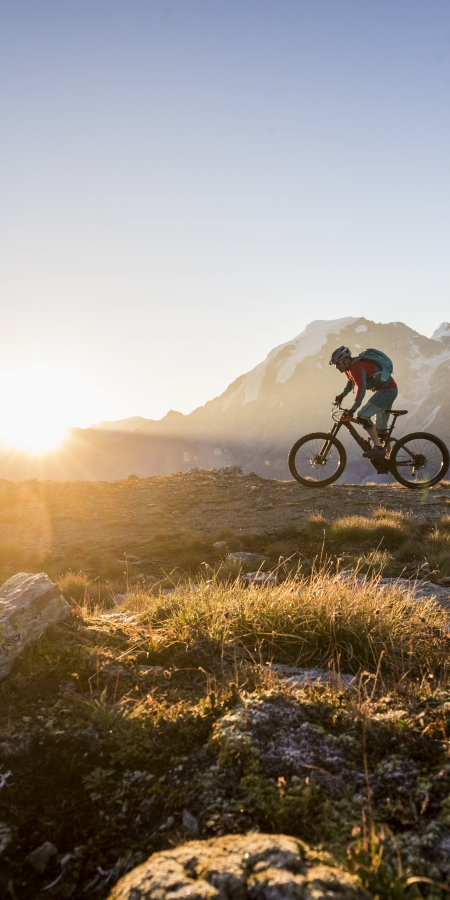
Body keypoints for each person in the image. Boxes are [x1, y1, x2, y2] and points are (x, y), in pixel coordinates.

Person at [329, 346, 398, 458]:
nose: (336, 367)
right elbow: (351, 383)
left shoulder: (356, 367)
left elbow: (361, 389)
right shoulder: (349, 369)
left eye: (338, 364)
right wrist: (342, 395)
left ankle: (378, 448)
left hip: (386, 391)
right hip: (386, 390)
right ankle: (389, 459)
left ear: (346, 360)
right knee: (380, 430)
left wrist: (353, 409)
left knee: (362, 415)